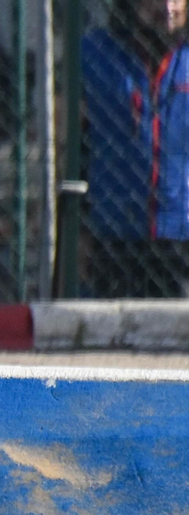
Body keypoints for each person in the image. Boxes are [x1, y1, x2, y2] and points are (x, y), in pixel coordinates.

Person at [82, 0, 189, 296]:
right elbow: (72, 142)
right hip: (116, 232)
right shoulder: (96, 53)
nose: (168, 8)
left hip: (181, 232)